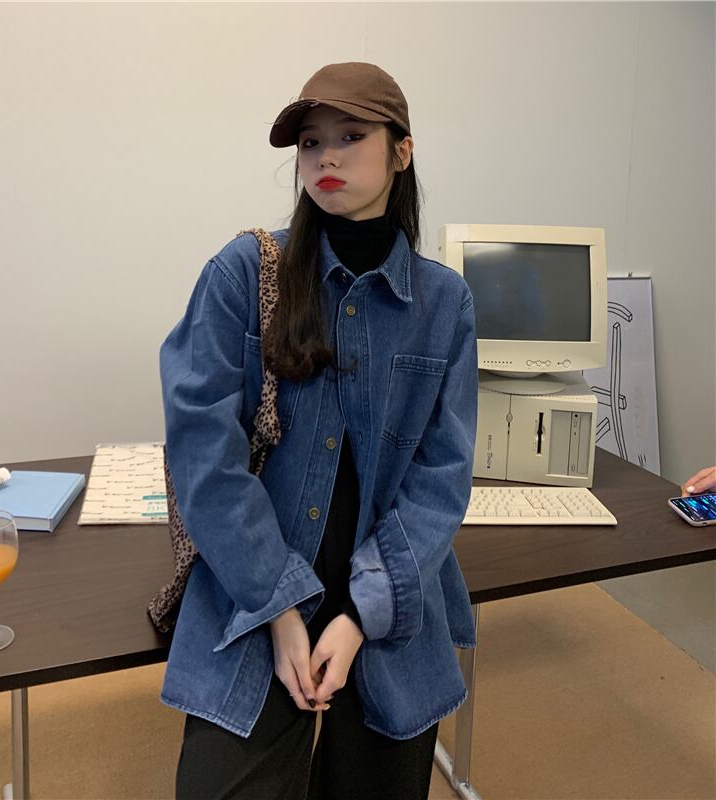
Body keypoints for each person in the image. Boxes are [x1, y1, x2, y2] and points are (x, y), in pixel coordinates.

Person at [159, 62, 479, 800]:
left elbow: (442, 475)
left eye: (351, 136)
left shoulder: (445, 302)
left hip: (394, 587)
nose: (325, 156)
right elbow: (203, 453)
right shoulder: (243, 273)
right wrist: (279, 610)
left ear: (402, 151)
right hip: (257, 581)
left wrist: (361, 616)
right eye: (310, 142)